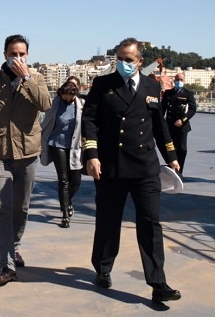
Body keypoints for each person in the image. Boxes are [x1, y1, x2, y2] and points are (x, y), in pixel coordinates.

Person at [81, 37, 181, 303]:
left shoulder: (151, 85)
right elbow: (89, 120)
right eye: (120, 59)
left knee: (150, 224)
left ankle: (158, 282)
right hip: (111, 165)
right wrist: (91, 154)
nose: (124, 64)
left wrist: (170, 155)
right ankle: (103, 268)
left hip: (145, 167)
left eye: (129, 59)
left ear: (139, 61)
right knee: (108, 220)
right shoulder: (103, 84)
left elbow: (158, 124)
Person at [0, 34, 51, 285]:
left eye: (22, 54)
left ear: (27, 55)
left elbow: (45, 104)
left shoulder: (36, 79)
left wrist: (27, 77)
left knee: (21, 207)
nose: (17, 58)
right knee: (2, 207)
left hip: (27, 154)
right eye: (13, 54)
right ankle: (6, 264)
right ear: (4, 54)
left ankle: (14, 245)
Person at [40, 77, 83, 229]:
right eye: (65, 97)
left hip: (75, 145)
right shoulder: (55, 104)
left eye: (70, 98)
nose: (67, 100)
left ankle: (67, 201)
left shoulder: (81, 105)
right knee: (63, 179)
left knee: (76, 180)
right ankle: (65, 213)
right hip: (56, 143)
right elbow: (45, 120)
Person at [162, 72, 196, 174]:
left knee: (181, 149)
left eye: (181, 80)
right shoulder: (168, 93)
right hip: (170, 125)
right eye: (177, 79)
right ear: (174, 80)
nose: (179, 82)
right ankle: (170, 168)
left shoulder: (188, 93)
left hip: (182, 126)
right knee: (170, 148)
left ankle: (179, 171)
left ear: (184, 81)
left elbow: (192, 109)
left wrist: (183, 120)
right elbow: (162, 109)